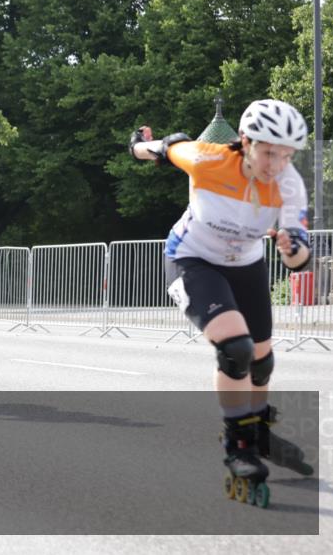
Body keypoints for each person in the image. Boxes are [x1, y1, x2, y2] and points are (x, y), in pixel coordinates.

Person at [128, 99, 314, 505]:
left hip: (245, 265)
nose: (276, 164)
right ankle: (239, 445)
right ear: (244, 142)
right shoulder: (207, 159)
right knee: (236, 351)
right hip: (192, 258)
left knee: (262, 361)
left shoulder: (289, 186)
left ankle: (259, 426)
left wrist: (291, 249)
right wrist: (138, 144)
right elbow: (163, 147)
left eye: (286, 155)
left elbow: (301, 258)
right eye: (268, 152)